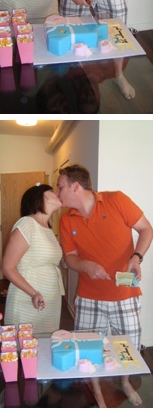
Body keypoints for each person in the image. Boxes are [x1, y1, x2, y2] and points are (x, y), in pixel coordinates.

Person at [57, 164, 152, 405]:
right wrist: (86, 266)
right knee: (87, 348)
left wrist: (136, 257)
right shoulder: (66, 219)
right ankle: (97, 391)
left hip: (125, 294)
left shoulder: (116, 200)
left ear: (75, 186)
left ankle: (125, 383)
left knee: (128, 348)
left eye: (60, 187)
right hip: (89, 297)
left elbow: (146, 229)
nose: (58, 193)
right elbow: (70, 258)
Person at [2, 184, 64, 333]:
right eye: (52, 191)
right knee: (25, 343)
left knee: (45, 342)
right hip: (28, 298)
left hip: (50, 298)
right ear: (41, 196)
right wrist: (34, 293)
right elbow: (7, 267)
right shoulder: (27, 224)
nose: (57, 193)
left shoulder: (47, 228)